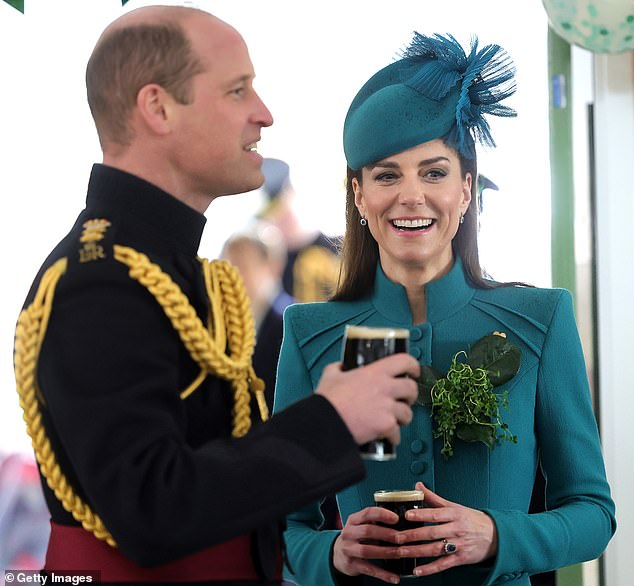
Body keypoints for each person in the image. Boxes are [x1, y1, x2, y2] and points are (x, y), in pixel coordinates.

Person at [12, 6, 421, 584]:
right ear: (158, 108)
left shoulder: (180, 271)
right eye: (237, 90)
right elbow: (153, 506)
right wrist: (331, 419)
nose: (264, 114)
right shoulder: (97, 279)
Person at [273, 33, 616, 585]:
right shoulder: (310, 334)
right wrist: (333, 554)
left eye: (433, 172)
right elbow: (280, 527)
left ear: (466, 190)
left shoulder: (541, 320)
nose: (412, 196)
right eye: (387, 175)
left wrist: (497, 534)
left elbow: (594, 515)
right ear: (359, 196)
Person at [221, 222, 293, 412]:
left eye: (242, 265)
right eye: (227, 265)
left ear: (272, 266)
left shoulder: (292, 320)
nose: (233, 275)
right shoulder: (222, 318)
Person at [257, 157, 341, 302]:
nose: (281, 219)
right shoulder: (274, 267)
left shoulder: (340, 247)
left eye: (284, 210)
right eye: (274, 215)